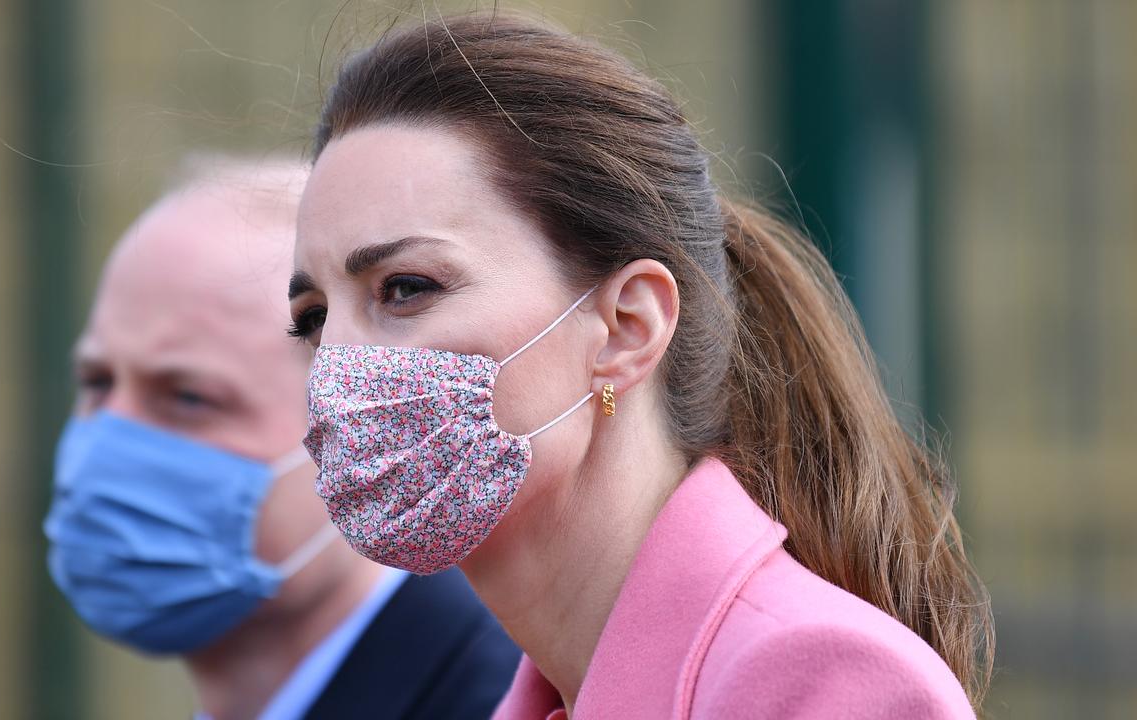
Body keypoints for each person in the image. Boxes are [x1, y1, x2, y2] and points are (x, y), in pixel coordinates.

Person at [289, 13, 993, 720]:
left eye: (406, 289)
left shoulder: (821, 685)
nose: (335, 371)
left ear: (628, 328)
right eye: (314, 319)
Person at [43, 156, 521, 720]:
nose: (111, 443)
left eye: (189, 397)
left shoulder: (496, 702)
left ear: (359, 419)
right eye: (97, 383)